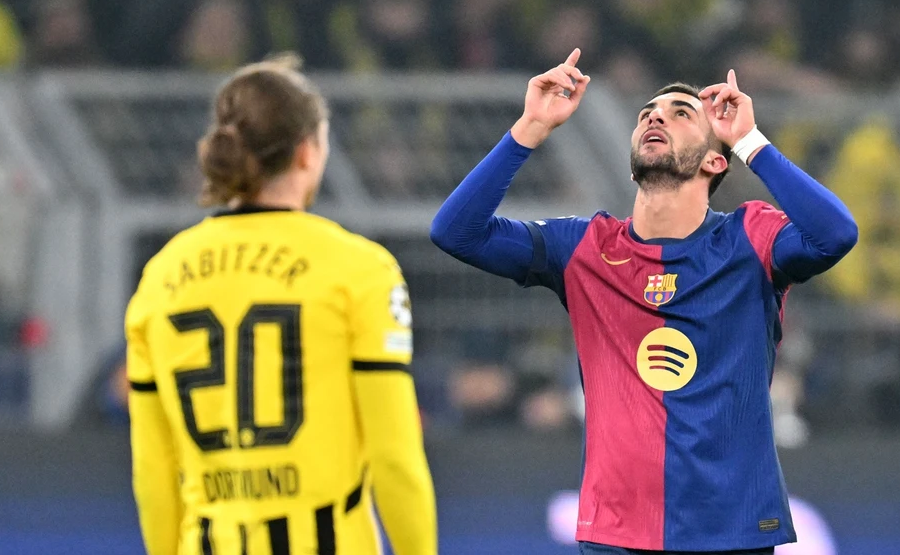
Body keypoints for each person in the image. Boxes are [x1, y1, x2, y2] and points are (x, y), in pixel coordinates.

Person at [431, 48, 858, 554]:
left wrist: (750, 140)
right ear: (634, 164)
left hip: (732, 530)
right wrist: (529, 128)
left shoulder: (750, 239)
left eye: (682, 114)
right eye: (648, 114)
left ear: (714, 161)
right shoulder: (586, 247)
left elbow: (836, 234)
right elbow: (455, 232)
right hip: (617, 534)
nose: (657, 115)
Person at [126, 54, 437, 555]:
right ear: (307, 152)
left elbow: (153, 468)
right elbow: (394, 458)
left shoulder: (160, 278)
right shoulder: (359, 270)